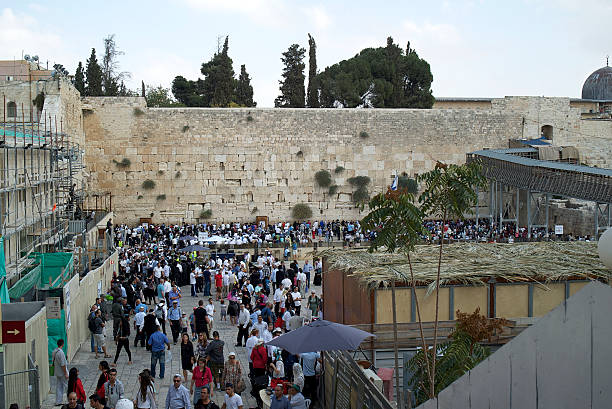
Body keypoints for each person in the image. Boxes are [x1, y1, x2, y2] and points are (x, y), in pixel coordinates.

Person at [52, 339, 68, 405]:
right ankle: (69, 400)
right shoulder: (61, 353)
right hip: (62, 372)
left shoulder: (54, 351)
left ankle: (58, 401)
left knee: (59, 386)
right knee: (67, 386)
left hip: (57, 371)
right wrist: (65, 373)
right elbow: (63, 365)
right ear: (63, 344)